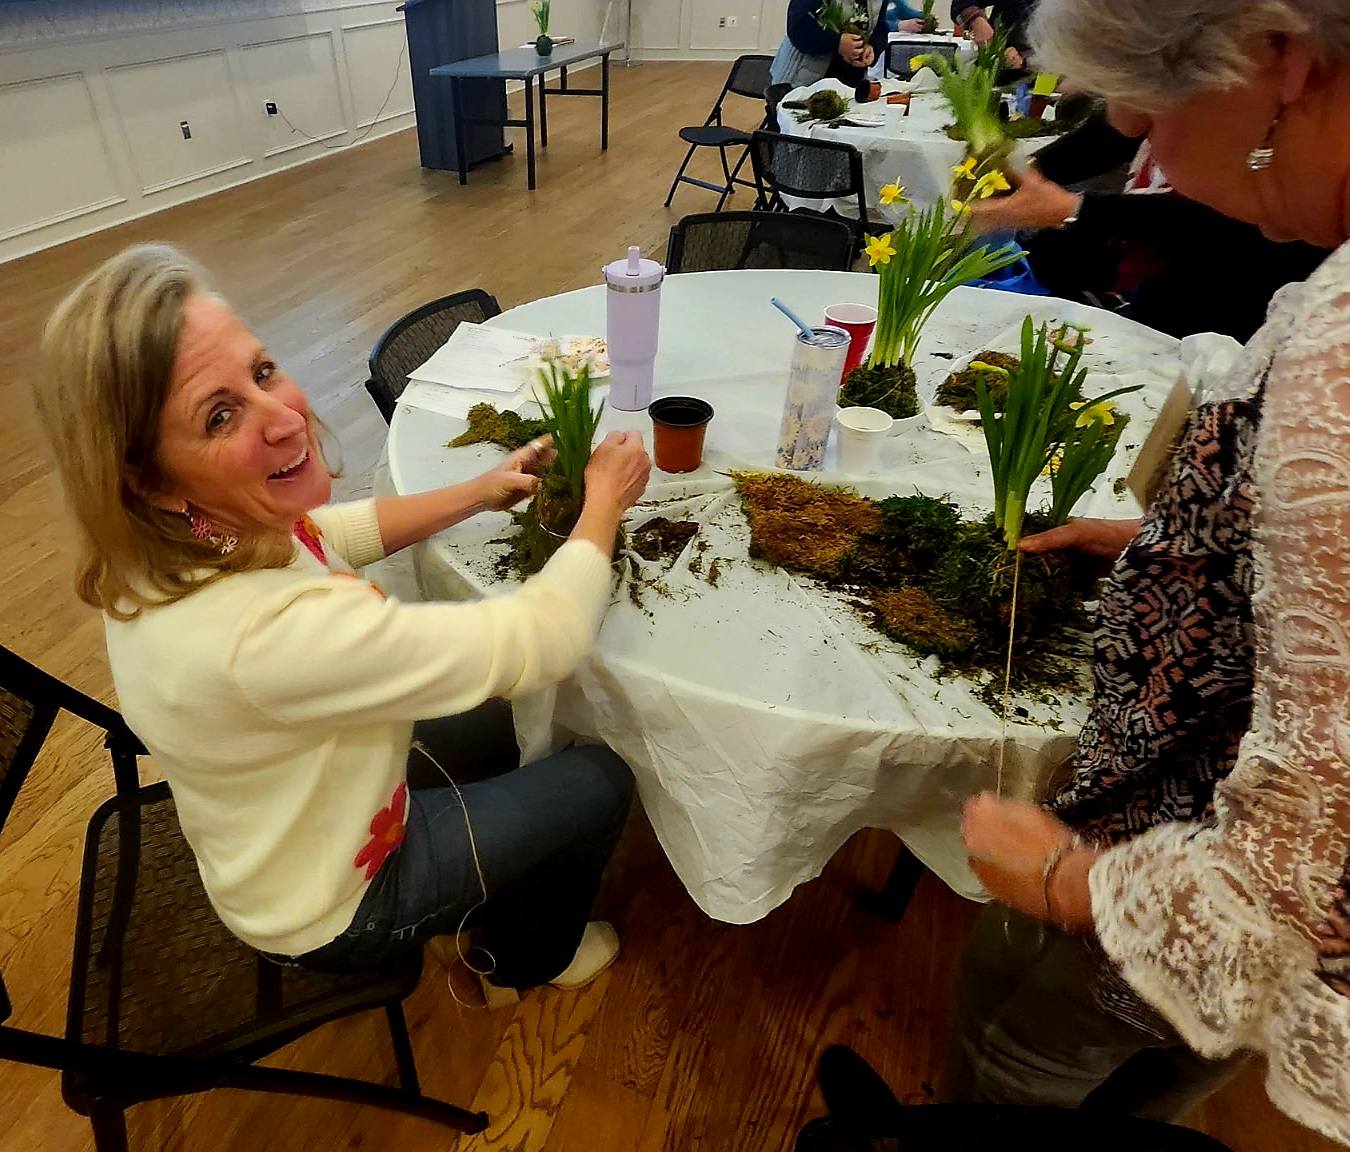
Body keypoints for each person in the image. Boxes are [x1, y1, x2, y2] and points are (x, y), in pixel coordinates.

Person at [34, 244, 652, 1006]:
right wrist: (602, 506)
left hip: (303, 805)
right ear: (150, 480)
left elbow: (326, 534)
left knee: (512, 719)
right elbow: (542, 641)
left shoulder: (180, 542)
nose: (284, 417)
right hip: (331, 902)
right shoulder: (268, 635)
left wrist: (477, 491)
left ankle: (508, 865)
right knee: (601, 777)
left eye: (262, 373)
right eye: (220, 415)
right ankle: (524, 960)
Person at [951, 1, 1350, 1144]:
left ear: (1278, 62)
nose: (1150, 152)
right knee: (1181, 1053)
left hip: (1175, 839)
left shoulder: (1340, 365)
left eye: (1155, 113)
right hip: (1180, 798)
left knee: (1024, 1040)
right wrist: (1175, 544)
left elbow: (1289, 885)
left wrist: (1073, 883)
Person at [968, 106, 1328, 342]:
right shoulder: (1184, 86)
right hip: (1170, 278)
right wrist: (1027, 172)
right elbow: (1119, 127)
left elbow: (1233, 221)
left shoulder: (1277, 115)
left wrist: (1074, 209)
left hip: (1242, 301)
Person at [771, 0, 892, 89]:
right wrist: (837, 42)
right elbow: (798, 27)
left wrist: (873, 47)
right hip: (803, 82)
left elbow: (880, 25)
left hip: (850, 84)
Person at [952, 1, 1033, 68]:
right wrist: (976, 20)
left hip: (1027, 68)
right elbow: (961, 4)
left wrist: (1025, 60)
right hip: (998, 67)